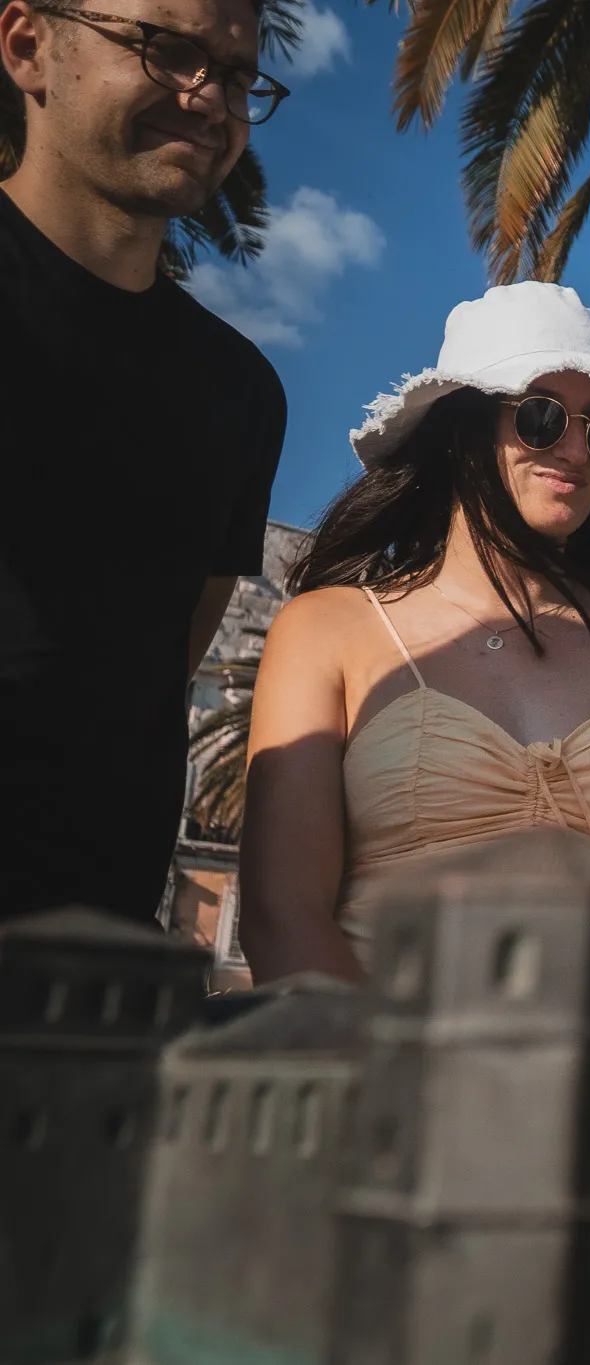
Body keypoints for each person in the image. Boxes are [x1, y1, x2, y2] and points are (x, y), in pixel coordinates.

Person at [236, 282, 590, 982]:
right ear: (461, 432)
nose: (576, 449)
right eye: (540, 417)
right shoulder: (327, 631)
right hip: (373, 1066)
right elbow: (281, 912)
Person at [0, 0, 287, 922]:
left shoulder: (241, 392)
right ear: (28, 47)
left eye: (237, 76)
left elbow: (161, 663)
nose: (209, 100)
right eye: (168, 53)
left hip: (92, 977)